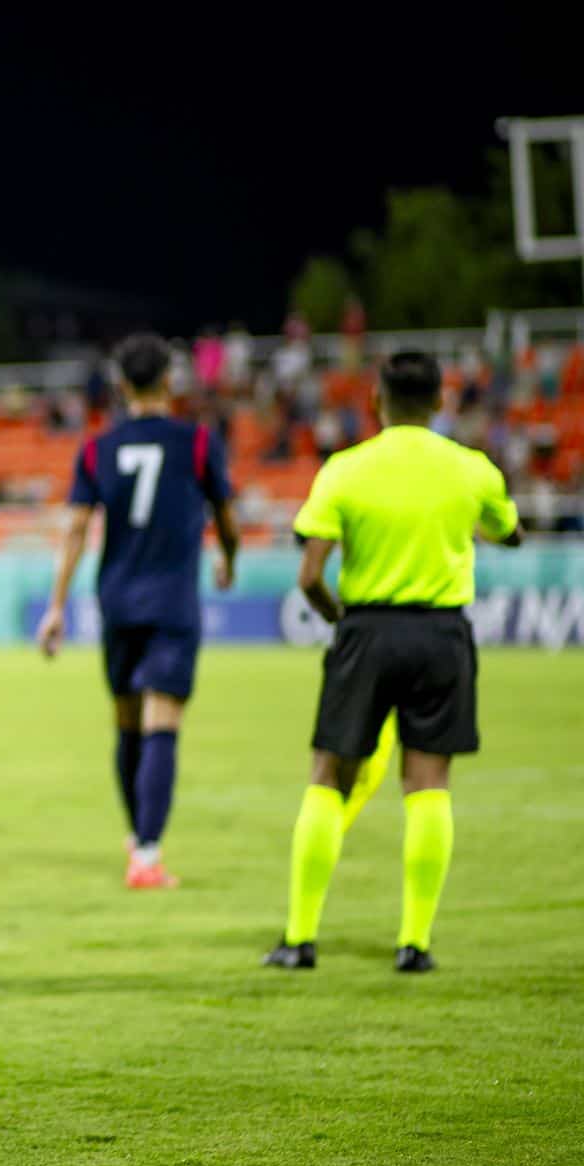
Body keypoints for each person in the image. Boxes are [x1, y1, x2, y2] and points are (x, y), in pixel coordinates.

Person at [264, 351, 521, 973]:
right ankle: (415, 944)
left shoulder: (346, 470)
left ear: (376, 399)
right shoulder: (471, 468)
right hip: (441, 634)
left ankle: (300, 940)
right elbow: (506, 530)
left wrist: (339, 621)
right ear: (440, 402)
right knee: (428, 785)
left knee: (329, 778)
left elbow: (309, 574)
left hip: (367, 631)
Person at [37, 332, 240, 890]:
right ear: (171, 382)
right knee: (160, 722)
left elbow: (76, 528)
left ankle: (139, 839)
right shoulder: (197, 443)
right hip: (172, 601)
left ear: (122, 386)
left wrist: (57, 607)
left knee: (127, 723)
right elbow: (225, 513)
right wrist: (228, 557)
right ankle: (147, 854)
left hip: (117, 600)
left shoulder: (97, 448)